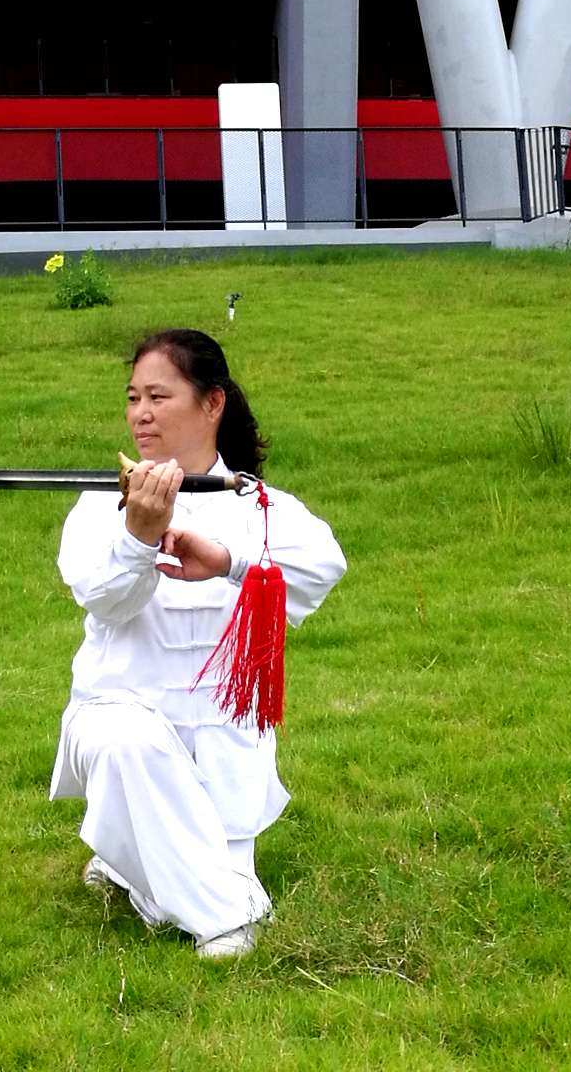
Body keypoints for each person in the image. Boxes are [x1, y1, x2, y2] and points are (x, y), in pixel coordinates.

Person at [49, 328, 346, 959]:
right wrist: (137, 536)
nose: (140, 414)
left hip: (222, 749)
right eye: (132, 398)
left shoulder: (258, 508)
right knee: (129, 739)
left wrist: (230, 560)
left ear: (212, 404)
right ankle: (232, 918)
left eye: (159, 395)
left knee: (177, 873)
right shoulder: (98, 506)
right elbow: (104, 596)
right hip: (114, 726)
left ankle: (132, 866)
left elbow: (324, 567)